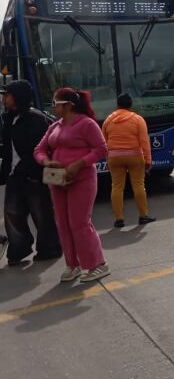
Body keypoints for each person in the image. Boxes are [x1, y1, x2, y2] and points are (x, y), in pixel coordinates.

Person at [34, 88, 109, 283]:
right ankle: (72, 264)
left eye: (55, 103)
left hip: (82, 179)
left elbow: (101, 149)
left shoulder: (87, 124)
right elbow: (39, 149)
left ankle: (97, 264)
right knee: (63, 223)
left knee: (80, 223)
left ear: (68, 105)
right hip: (58, 180)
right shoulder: (54, 126)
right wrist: (47, 161)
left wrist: (79, 164)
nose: (53, 107)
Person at [0, 80, 61, 265]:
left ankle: (49, 249)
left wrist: (24, 169)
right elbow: (8, 149)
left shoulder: (34, 118)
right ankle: (19, 249)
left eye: (7, 95)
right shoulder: (8, 119)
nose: (4, 98)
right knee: (12, 213)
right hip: (15, 176)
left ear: (18, 96)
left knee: (41, 214)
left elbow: (36, 149)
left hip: (33, 175)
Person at [102, 93, 156, 229]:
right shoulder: (137, 119)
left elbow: (104, 142)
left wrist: (107, 160)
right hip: (134, 156)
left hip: (114, 157)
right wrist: (148, 160)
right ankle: (143, 216)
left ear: (117, 105)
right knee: (138, 185)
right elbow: (144, 141)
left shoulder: (108, 120)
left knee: (116, 187)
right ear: (130, 105)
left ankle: (119, 219)